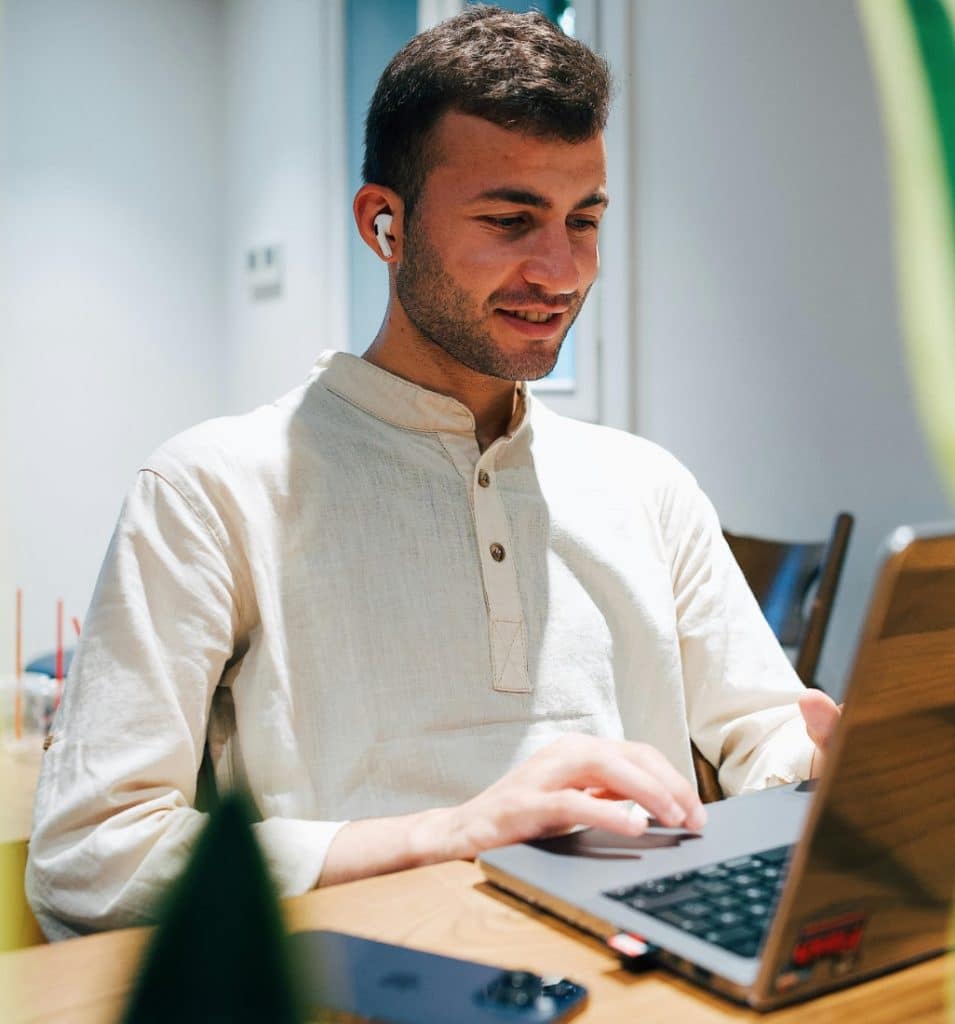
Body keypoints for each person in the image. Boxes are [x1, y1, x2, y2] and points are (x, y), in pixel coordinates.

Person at [27, 6, 840, 940]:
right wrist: (454, 834)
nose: (561, 269)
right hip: (371, 980)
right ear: (385, 223)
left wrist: (827, 758)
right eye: (510, 220)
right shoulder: (209, 490)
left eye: (584, 220)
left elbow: (764, 736)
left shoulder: (645, 485)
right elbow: (89, 860)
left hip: (648, 973)